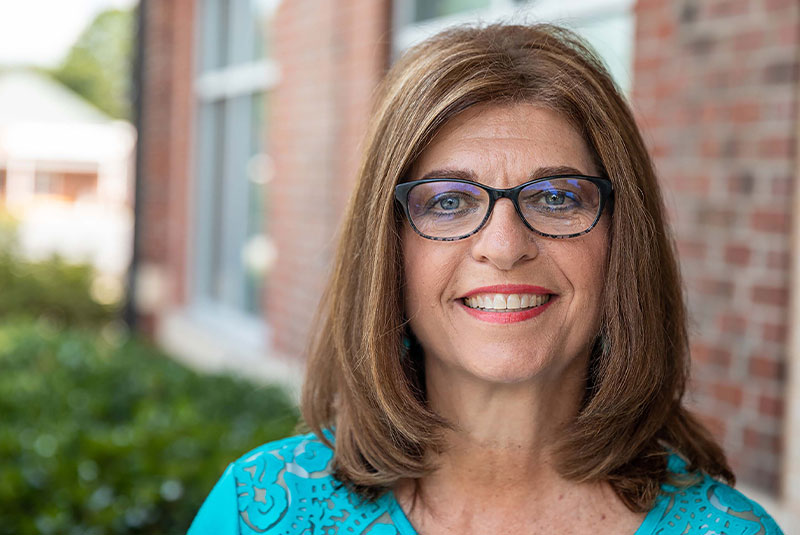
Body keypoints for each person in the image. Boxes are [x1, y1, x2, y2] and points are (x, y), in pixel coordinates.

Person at [188, 23, 784, 535]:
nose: (503, 247)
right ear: (388, 249)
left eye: (555, 197)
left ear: (622, 242)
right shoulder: (256, 512)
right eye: (448, 202)